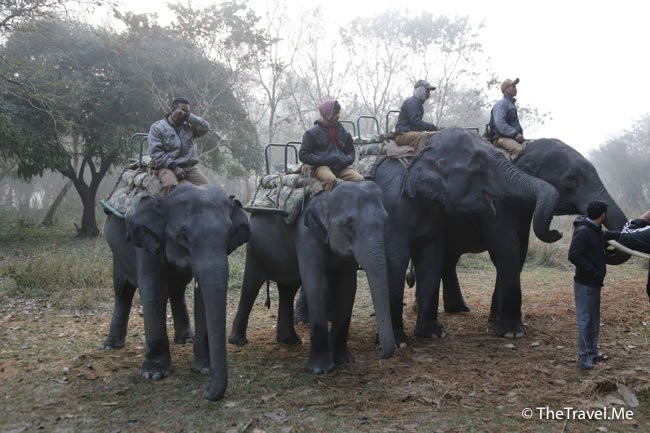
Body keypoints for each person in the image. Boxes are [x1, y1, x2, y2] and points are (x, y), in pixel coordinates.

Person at [568, 201, 618, 370]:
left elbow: (605, 236)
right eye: (606, 213)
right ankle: (585, 359)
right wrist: (593, 270)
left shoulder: (595, 230)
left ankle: (592, 355)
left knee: (593, 321)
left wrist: (623, 236)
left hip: (594, 283)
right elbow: (573, 255)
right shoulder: (584, 231)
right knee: (586, 320)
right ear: (603, 215)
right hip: (585, 283)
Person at [148, 97, 211, 195]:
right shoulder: (158, 127)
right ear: (173, 110)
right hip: (167, 167)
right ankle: (164, 208)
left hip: (188, 167)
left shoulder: (189, 127)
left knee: (209, 190)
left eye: (187, 112)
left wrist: (188, 116)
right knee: (171, 186)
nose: (183, 114)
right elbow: (155, 153)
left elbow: (206, 128)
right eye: (182, 110)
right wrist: (174, 167)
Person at [299, 100, 363, 190]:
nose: (338, 116)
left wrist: (345, 160)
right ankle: (326, 203)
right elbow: (303, 155)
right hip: (321, 166)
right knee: (330, 179)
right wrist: (323, 160)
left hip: (341, 167)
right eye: (335, 113)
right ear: (327, 114)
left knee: (359, 179)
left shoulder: (344, 133)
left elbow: (351, 151)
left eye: (338, 112)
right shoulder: (311, 133)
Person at [394, 80, 438, 152]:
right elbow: (416, 121)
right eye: (427, 91)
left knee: (434, 135)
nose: (429, 95)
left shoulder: (417, 103)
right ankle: (420, 161)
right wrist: (433, 127)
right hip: (402, 135)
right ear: (421, 91)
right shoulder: (412, 102)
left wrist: (435, 130)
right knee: (422, 137)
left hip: (410, 133)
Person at [489, 77, 526, 160]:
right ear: (505, 89)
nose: (515, 88)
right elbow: (500, 124)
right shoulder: (501, 104)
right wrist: (515, 134)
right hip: (501, 138)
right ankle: (509, 171)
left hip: (510, 138)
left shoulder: (511, 104)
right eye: (512, 86)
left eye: (515, 87)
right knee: (519, 150)